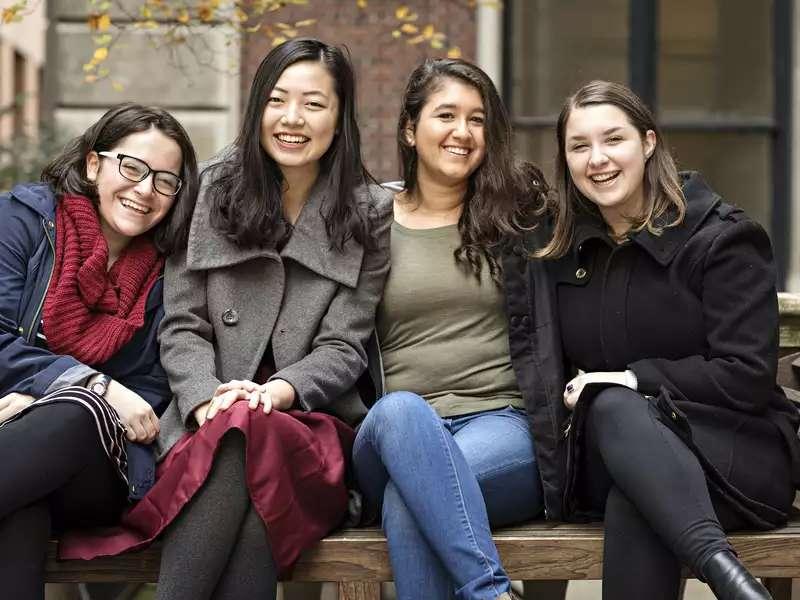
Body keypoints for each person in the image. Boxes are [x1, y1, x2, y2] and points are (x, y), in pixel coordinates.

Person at [62, 38, 392, 600]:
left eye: (314, 104)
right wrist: (209, 397)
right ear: (257, 105)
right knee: (238, 434)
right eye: (278, 100)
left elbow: (345, 344)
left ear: (340, 119)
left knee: (249, 432)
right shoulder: (212, 190)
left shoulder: (367, 213)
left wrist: (281, 391)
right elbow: (182, 323)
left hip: (313, 427)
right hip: (203, 421)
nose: (292, 119)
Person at [525, 80, 800, 599]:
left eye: (614, 140)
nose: (597, 159)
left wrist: (632, 378)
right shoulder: (563, 250)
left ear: (648, 143)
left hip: (734, 450)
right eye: (579, 146)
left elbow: (746, 374)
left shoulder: (722, 239)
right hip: (613, 457)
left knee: (632, 477)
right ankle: (732, 582)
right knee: (615, 422)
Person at [352, 58, 548, 600]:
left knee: (408, 501)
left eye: (478, 119)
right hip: (393, 434)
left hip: (503, 425)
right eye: (446, 115)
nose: (463, 132)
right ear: (411, 130)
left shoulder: (518, 219)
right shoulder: (365, 220)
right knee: (400, 412)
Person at [0, 103, 198, 600]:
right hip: (16, 452)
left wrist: (77, 399)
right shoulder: (25, 222)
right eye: (131, 167)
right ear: (93, 165)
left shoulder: (168, 273)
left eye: (165, 181)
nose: (144, 190)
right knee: (21, 513)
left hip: (101, 472)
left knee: (77, 414)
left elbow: (152, 392)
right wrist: (97, 384)